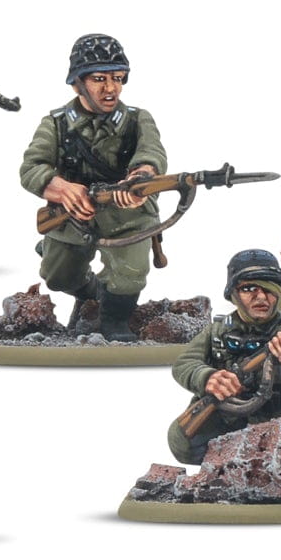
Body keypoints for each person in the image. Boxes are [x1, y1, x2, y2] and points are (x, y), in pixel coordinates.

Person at [19, 34, 166, 339]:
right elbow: (32, 167)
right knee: (57, 277)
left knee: (130, 274)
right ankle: (94, 293)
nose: (110, 88)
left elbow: (152, 154)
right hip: (74, 215)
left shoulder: (138, 120)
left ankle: (115, 321)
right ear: (77, 84)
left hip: (128, 215)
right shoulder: (56, 123)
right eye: (99, 79)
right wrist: (61, 188)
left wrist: (140, 179)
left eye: (117, 78)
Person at [167, 249, 281, 464]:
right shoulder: (218, 330)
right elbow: (184, 363)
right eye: (249, 289)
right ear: (232, 294)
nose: (261, 297)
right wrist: (207, 377)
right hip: (228, 418)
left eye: (269, 289)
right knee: (182, 441)